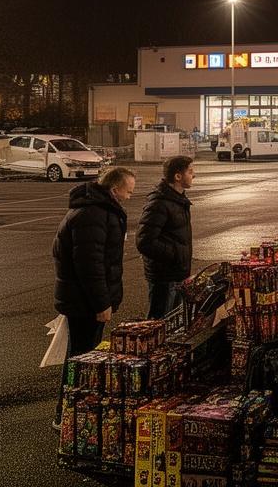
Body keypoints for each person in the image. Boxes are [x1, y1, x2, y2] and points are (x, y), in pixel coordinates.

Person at [52, 166, 136, 428]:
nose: (130, 196)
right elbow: (90, 266)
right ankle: (67, 416)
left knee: (81, 357)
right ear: (114, 189)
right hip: (85, 302)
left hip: (82, 299)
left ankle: (71, 414)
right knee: (81, 360)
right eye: (129, 191)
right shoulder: (93, 214)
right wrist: (102, 303)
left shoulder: (96, 210)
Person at [136, 155, 195, 319]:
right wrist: (175, 254)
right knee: (159, 322)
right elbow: (144, 241)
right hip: (165, 277)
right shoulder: (159, 203)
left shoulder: (178, 200)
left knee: (174, 323)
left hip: (178, 274)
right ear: (178, 176)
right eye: (190, 172)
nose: (194, 175)